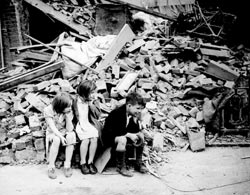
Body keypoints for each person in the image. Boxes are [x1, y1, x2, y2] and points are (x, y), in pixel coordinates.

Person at [101, 91, 148, 177]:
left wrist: (136, 121)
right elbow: (117, 131)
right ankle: (121, 166)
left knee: (140, 135)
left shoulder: (131, 113)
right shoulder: (118, 113)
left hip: (122, 134)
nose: (139, 111)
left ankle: (138, 162)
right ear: (129, 105)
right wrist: (129, 135)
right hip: (110, 137)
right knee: (122, 139)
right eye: (138, 108)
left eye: (141, 109)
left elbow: (134, 130)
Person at [44, 92, 76, 179]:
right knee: (57, 139)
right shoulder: (48, 110)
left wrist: (68, 116)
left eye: (70, 106)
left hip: (63, 131)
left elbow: (70, 129)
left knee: (71, 135)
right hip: (52, 132)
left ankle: (67, 165)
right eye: (68, 106)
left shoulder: (68, 111)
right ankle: (51, 167)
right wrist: (61, 137)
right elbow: (52, 127)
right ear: (60, 106)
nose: (70, 108)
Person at [74, 80, 101, 175]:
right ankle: (83, 163)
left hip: (89, 123)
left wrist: (91, 105)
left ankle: (90, 162)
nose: (94, 94)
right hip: (79, 124)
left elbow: (98, 115)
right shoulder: (75, 100)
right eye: (91, 92)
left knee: (94, 138)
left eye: (94, 92)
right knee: (85, 140)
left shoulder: (94, 101)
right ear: (85, 93)